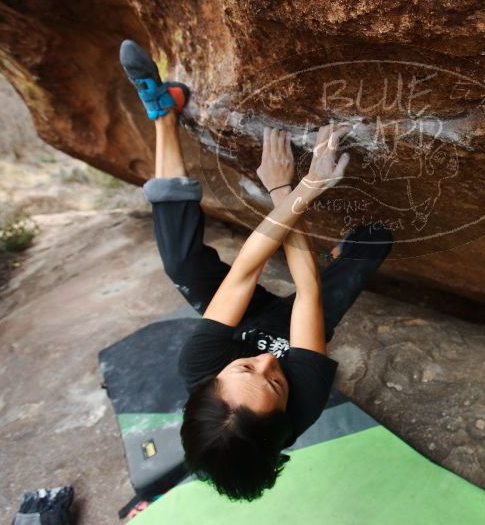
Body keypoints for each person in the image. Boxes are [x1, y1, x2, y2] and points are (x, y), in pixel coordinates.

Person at [119, 40, 393, 501]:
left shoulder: (200, 365)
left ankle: (163, 112)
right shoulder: (304, 401)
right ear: (285, 410)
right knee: (375, 241)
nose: (270, 359)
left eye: (248, 367)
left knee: (181, 263)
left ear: (211, 381)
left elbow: (245, 272)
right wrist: (294, 187)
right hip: (292, 321)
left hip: (238, 322)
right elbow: (307, 294)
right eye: (275, 381)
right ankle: (341, 255)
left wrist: (295, 190)